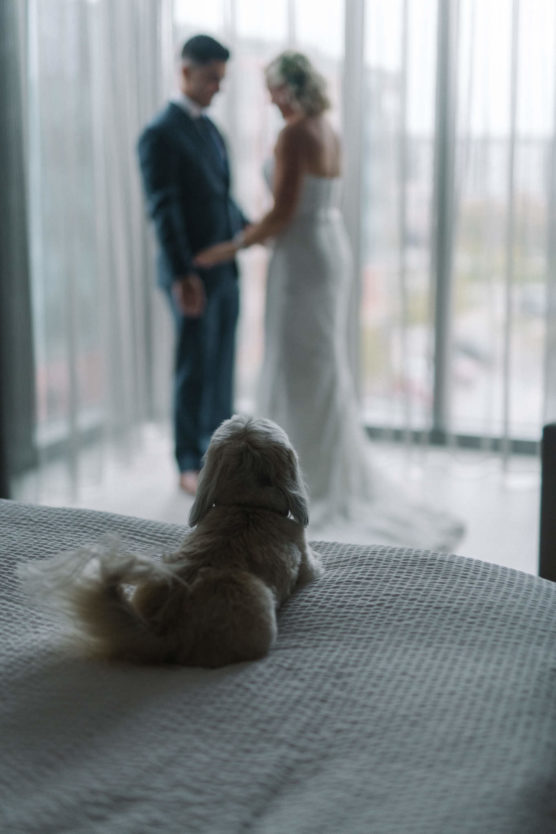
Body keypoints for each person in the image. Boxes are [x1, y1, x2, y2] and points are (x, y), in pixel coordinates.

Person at [195, 51, 464, 550]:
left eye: (273, 89)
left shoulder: (295, 133)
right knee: (318, 364)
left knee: (301, 366)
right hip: (325, 247)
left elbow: (281, 214)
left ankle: (293, 479)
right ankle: (309, 469)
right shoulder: (329, 130)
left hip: (301, 257)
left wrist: (230, 247)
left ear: (289, 88)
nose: (270, 99)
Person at [137, 35, 249, 495]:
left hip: (225, 270)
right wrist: (184, 274)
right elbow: (163, 208)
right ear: (185, 72)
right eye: (211, 79)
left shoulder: (211, 130)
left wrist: (255, 229)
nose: (217, 89)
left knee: (222, 365)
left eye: (222, 80)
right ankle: (187, 461)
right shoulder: (159, 133)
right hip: (191, 275)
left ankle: (217, 453)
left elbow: (221, 198)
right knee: (194, 367)